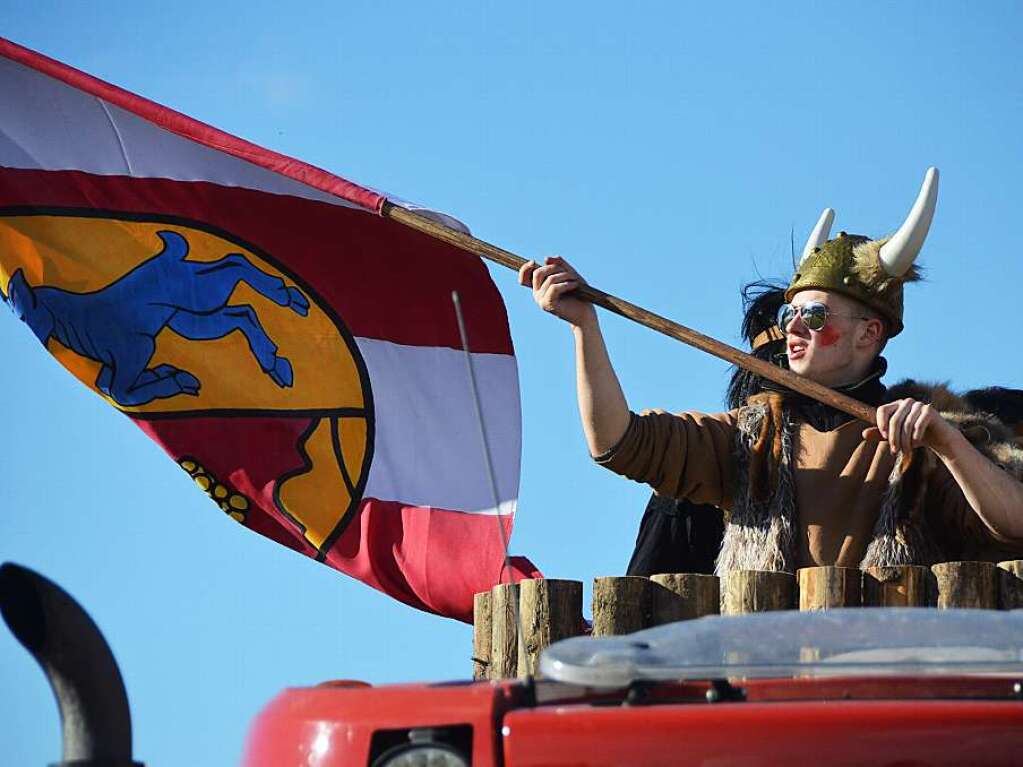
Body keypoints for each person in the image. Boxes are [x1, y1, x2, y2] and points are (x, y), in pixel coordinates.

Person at [520, 169, 1023, 572]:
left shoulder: (924, 443)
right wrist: (584, 327)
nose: (795, 329)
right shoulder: (749, 437)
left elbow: (1014, 524)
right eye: (791, 315)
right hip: (767, 690)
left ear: (869, 334)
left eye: (817, 316)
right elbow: (617, 442)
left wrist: (947, 442)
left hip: (881, 686)